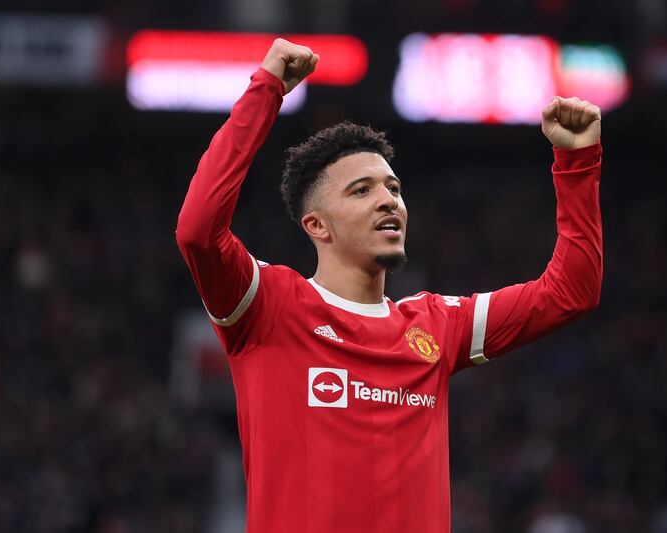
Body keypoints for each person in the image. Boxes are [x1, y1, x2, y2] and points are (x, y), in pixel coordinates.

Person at [176, 38, 603, 533]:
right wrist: (265, 90)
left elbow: (572, 290)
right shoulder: (269, 306)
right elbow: (198, 231)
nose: (388, 201)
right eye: (362, 190)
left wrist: (578, 162)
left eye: (394, 189)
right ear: (317, 225)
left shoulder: (438, 326)